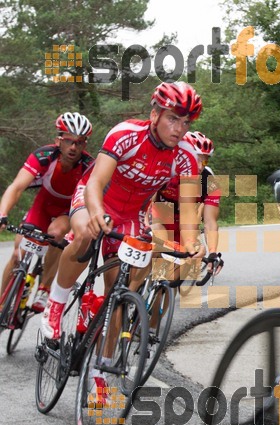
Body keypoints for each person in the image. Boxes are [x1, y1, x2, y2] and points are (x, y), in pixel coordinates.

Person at [41, 81, 204, 402]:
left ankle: (99, 371)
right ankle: (55, 305)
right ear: (155, 113)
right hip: (96, 198)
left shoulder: (185, 156)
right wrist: (97, 213)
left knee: (120, 294)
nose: (180, 129)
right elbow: (95, 182)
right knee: (87, 232)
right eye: (173, 118)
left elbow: (187, 209)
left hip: (131, 215)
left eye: (186, 123)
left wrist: (192, 243)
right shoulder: (126, 133)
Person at [0, 112, 94, 312]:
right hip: (42, 206)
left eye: (80, 142)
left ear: (85, 145)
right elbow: (16, 187)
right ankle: (2, 302)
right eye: (68, 141)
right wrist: (3, 214)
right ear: (57, 140)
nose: (73, 147)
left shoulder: (88, 165)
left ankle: (45, 287)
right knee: (18, 254)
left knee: (56, 233)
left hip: (66, 211)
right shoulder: (43, 156)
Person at [151, 130, 223, 280]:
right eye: (196, 158)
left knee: (172, 278)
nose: (200, 166)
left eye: (204, 161)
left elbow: (210, 222)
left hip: (184, 222)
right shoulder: (168, 168)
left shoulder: (208, 180)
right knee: (157, 251)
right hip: (162, 212)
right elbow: (148, 201)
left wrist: (213, 252)